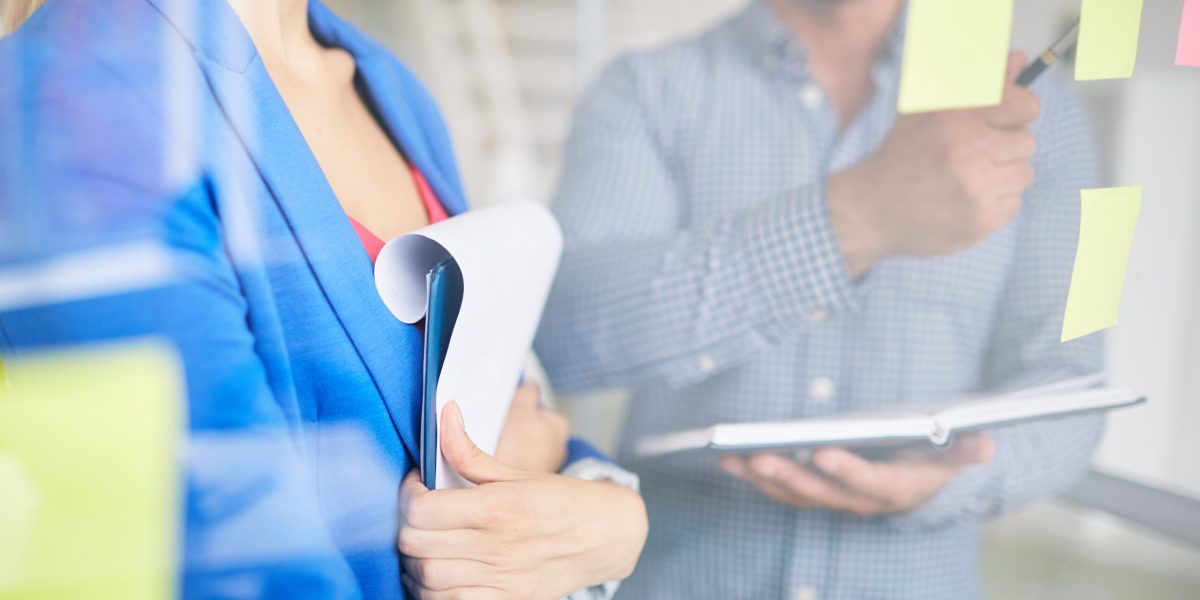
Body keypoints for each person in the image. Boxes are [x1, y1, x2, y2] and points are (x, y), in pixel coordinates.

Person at [0, 0, 646, 598]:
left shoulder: (384, 81)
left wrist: (609, 513)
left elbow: (514, 404)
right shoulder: (76, 97)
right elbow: (236, 566)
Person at [535, 0, 1103, 598]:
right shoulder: (645, 90)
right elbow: (562, 333)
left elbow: (1073, 379)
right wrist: (855, 217)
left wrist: (953, 481)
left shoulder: (1045, 115)